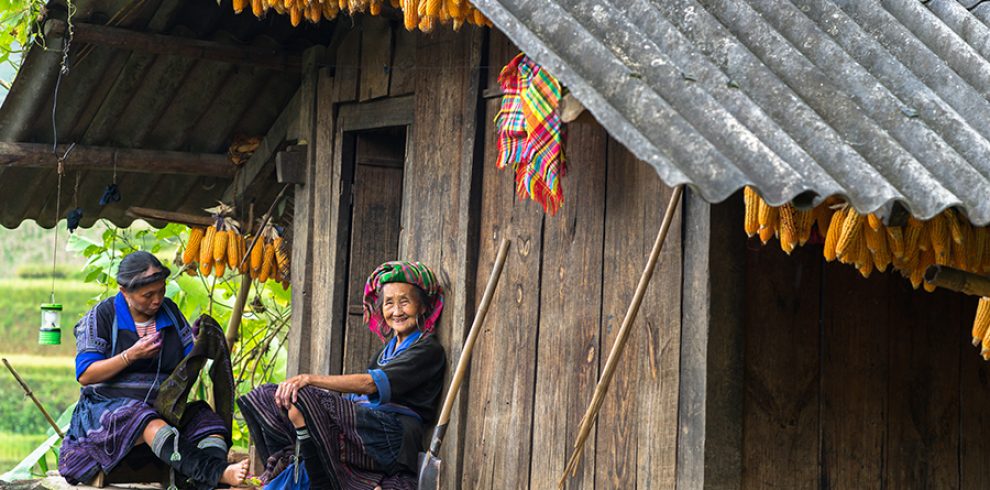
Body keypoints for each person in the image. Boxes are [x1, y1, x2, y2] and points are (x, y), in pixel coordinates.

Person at [238, 261, 447, 489]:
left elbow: (370, 385)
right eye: (389, 303)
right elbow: (356, 400)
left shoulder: (427, 349)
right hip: (366, 431)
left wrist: (310, 380)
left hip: (393, 438)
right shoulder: (384, 352)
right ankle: (299, 457)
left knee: (305, 397)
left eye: (404, 302)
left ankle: (331, 477)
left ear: (423, 307)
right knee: (267, 395)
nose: (396, 311)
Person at [59, 251, 248, 488]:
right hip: (106, 413)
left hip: (162, 408)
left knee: (208, 422)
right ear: (124, 291)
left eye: (161, 291)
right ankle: (218, 473)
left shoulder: (169, 312)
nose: (157, 300)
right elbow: (86, 375)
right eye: (147, 295)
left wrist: (198, 340)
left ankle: (205, 485)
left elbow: (186, 362)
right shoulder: (102, 316)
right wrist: (131, 355)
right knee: (143, 418)